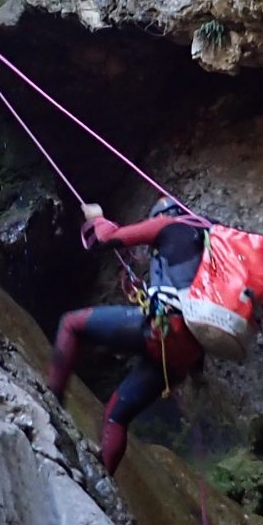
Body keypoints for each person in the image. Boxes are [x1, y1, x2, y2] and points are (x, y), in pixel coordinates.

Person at [46, 197, 209, 472]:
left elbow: (107, 237)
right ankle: (104, 480)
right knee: (116, 416)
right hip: (187, 354)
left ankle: (50, 402)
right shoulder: (205, 240)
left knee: (71, 324)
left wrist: (96, 217)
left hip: (165, 330)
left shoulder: (167, 225)